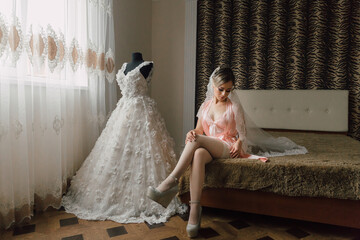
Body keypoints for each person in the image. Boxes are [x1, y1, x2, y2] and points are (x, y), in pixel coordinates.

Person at [147, 66, 308, 238]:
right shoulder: (205, 106)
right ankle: (195, 209)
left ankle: (171, 182)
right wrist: (192, 132)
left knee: (197, 143)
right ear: (213, 86)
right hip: (209, 146)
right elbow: (199, 130)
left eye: (228, 90)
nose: (224, 94)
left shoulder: (234, 107)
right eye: (221, 89)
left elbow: (243, 133)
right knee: (198, 154)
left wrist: (239, 143)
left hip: (226, 146)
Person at [61, 52, 186, 224]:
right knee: (114, 154)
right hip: (123, 112)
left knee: (146, 153)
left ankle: (158, 194)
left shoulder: (148, 64)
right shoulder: (124, 67)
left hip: (143, 112)